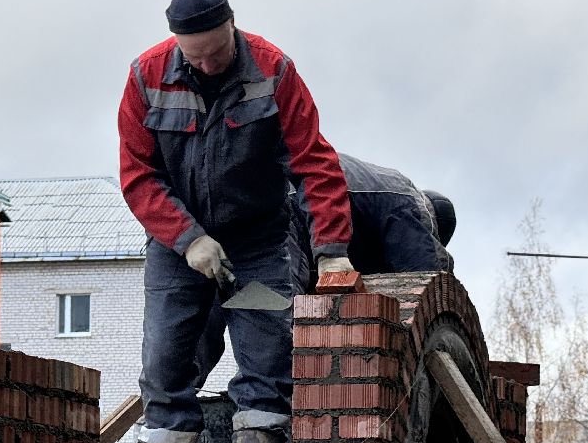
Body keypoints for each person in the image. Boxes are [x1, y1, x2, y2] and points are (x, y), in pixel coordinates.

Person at [119, 0, 353, 443]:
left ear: (233, 27)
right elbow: (138, 175)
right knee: (166, 356)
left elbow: (314, 164)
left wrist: (332, 252)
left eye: (216, 53)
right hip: (178, 250)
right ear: (177, 44)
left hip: (255, 248)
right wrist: (187, 239)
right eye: (193, 56)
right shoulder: (147, 75)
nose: (205, 66)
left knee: (267, 349)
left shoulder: (273, 71)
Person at [195, 155, 456, 389]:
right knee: (274, 318)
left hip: (240, 195)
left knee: (218, 298)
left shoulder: (376, 191)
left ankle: (166, 415)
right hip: (289, 202)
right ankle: (264, 420)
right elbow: (428, 287)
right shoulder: (409, 202)